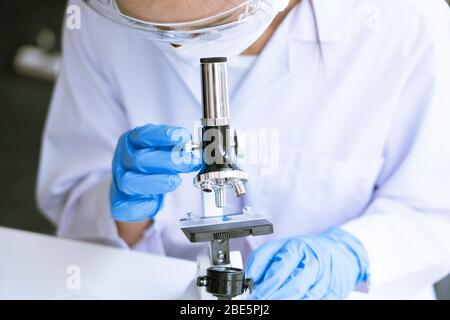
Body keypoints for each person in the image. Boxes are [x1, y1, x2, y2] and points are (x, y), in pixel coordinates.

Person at [37, 0, 450, 299]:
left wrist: (352, 254)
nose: (183, 47)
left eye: (212, 25)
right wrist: (126, 216)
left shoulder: (408, 23)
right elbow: (74, 197)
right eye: (158, 31)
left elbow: (435, 211)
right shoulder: (98, 20)